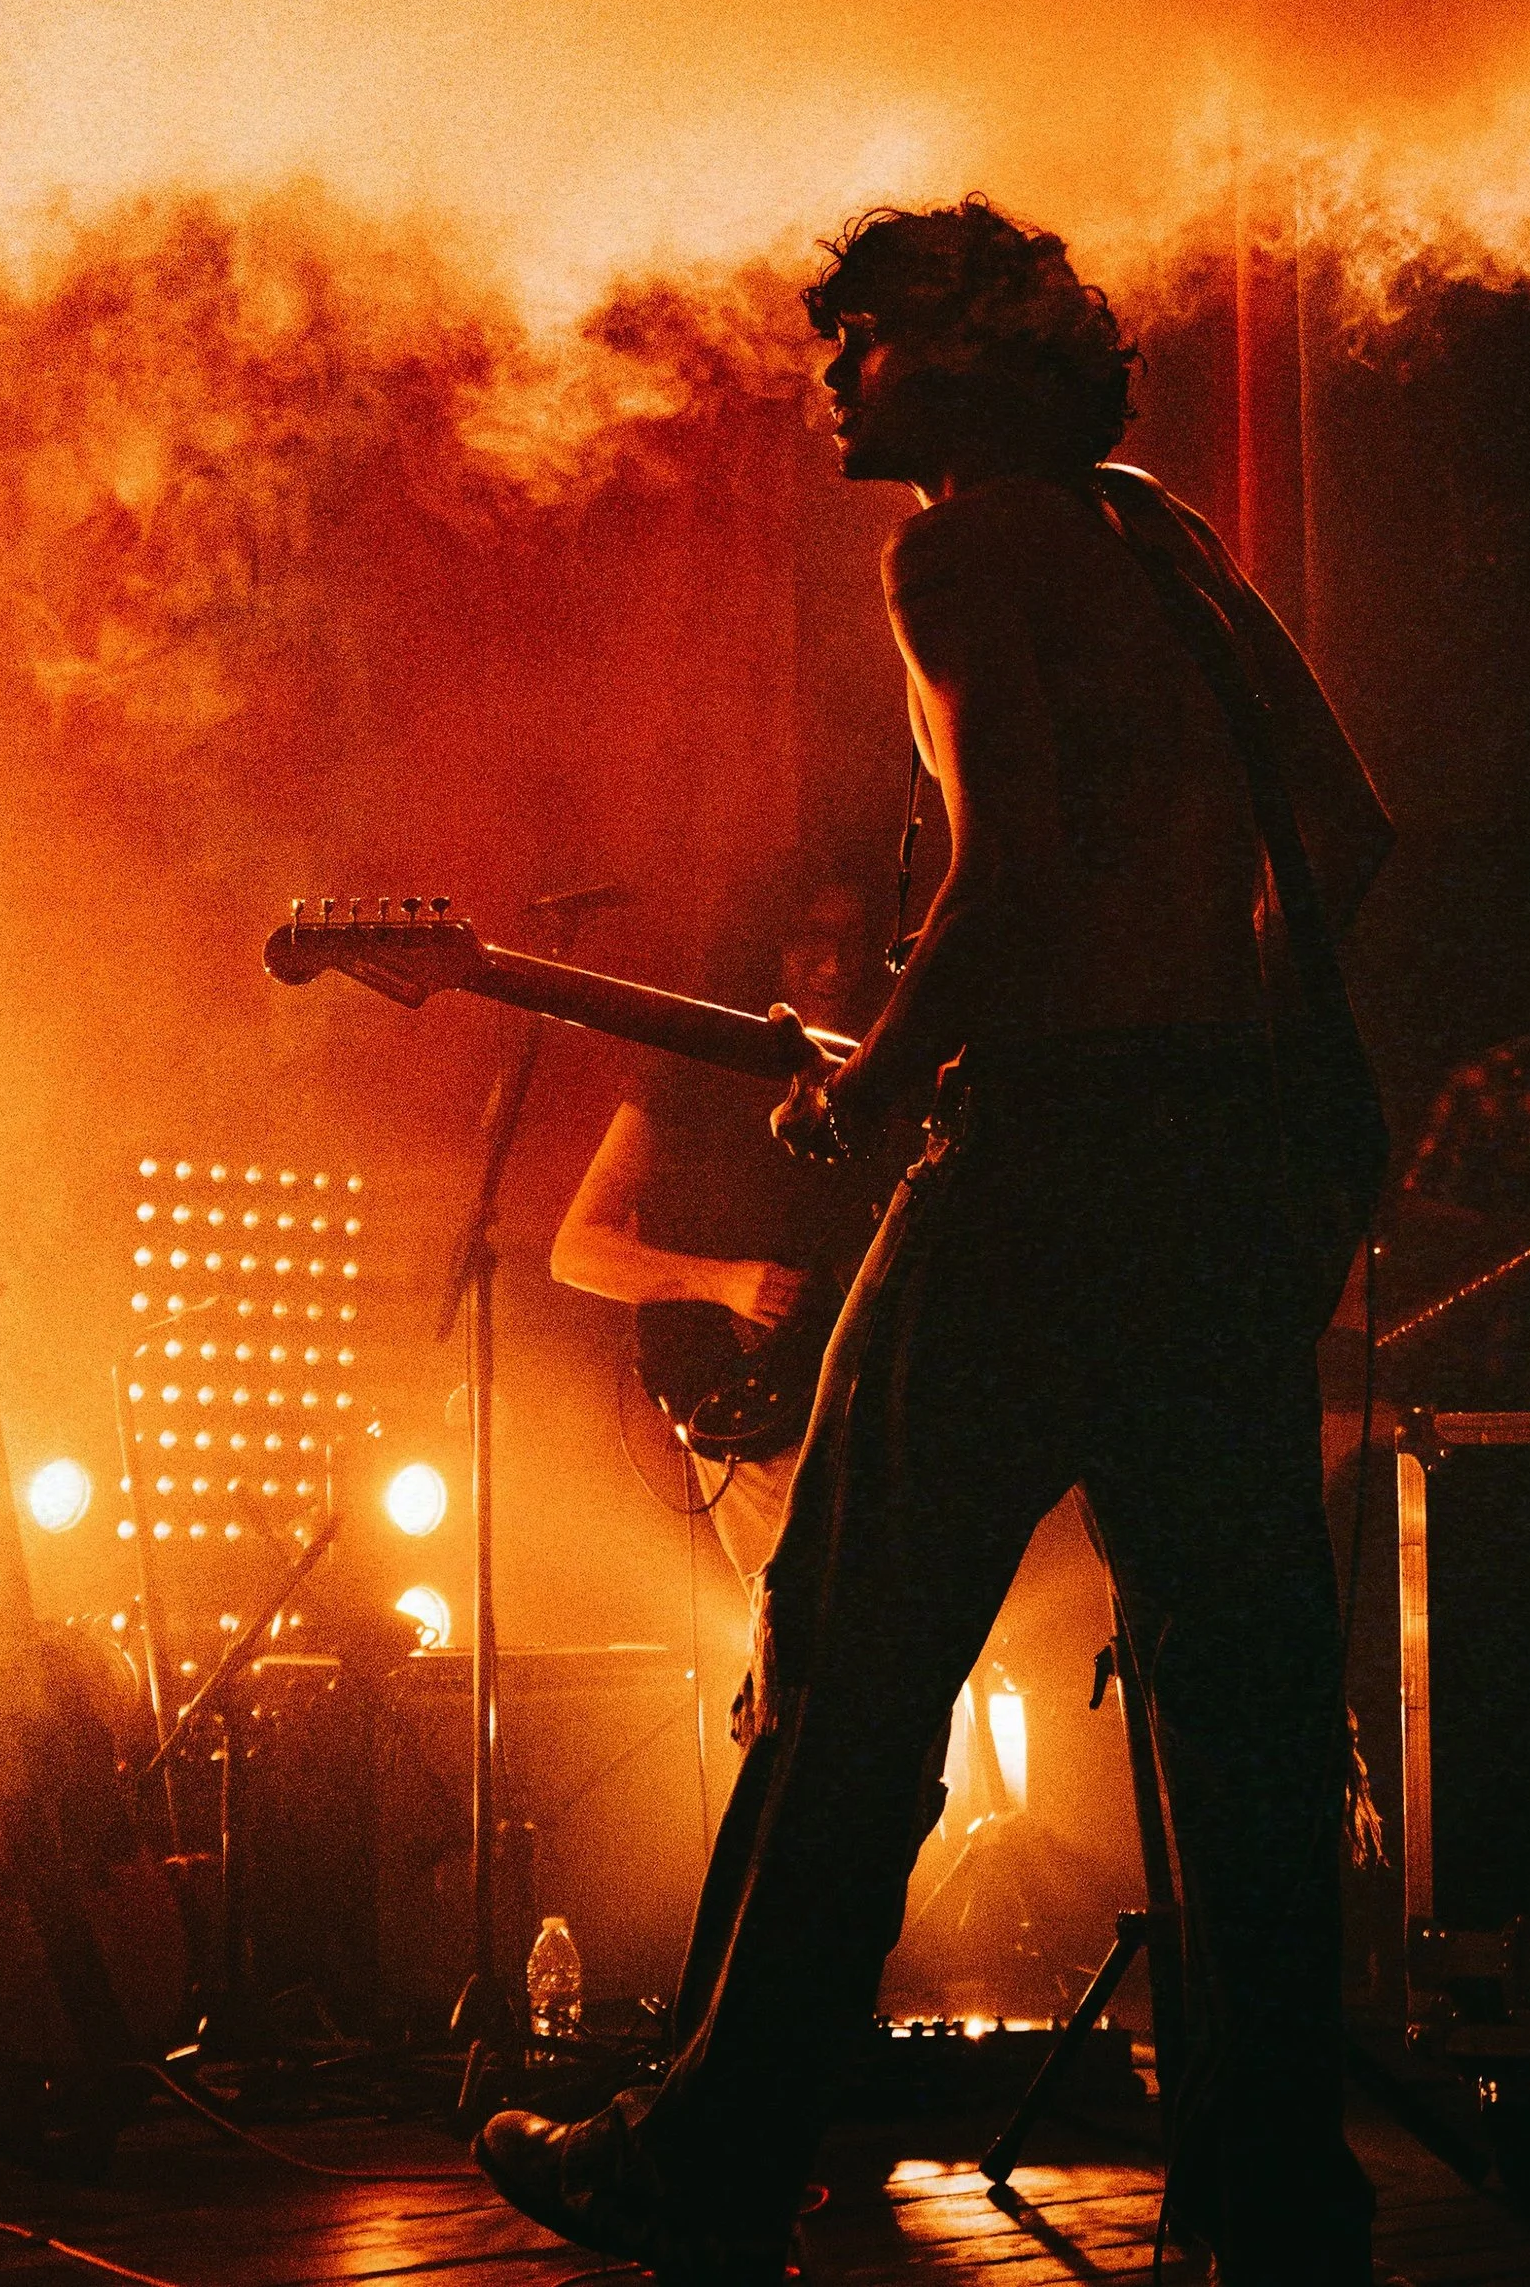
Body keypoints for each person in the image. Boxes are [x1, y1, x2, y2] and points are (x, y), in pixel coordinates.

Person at [477, 196, 1392, 2287]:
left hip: (1039, 1168)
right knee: (1242, 1710)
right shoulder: (1165, 538)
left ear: (958, 365)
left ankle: (706, 2159)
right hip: (1214, 1175)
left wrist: (880, 1078)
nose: (829, 371)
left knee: (845, 1671)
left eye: (862, 335)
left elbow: (1003, 881)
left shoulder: (960, 546)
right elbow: (1343, 829)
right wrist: (1204, 1023)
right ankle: (1275, 2199)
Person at [552, 876, 889, 1587]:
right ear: (769, 943)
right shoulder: (691, 1068)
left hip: (856, 1400)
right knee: (808, 1630)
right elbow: (576, 1248)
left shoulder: (867, 1062)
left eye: (851, 943)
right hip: (752, 1392)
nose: (835, 964)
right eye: (812, 940)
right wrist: (726, 1281)